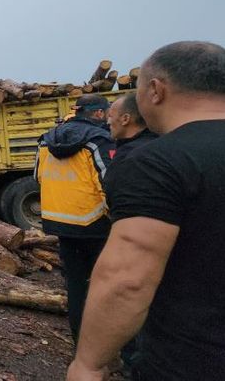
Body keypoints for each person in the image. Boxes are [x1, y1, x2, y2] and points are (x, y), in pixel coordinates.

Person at [68, 41, 225, 380]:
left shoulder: (157, 163)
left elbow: (127, 279)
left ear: (155, 90)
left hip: (192, 362)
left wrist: (89, 365)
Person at [34, 94, 115, 342]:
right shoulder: (98, 140)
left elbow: (38, 176)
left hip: (61, 223)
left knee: (76, 286)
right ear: (99, 114)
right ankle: (106, 341)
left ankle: (80, 339)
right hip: (96, 223)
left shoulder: (46, 140)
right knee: (106, 284)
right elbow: (109, 182)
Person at [103, 93, 158, 371]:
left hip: (137, 250)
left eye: (111, 114)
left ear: (126, 118)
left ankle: (135, 359)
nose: (107, 119)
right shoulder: (152, 148)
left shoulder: (138, 158)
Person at [105, 93, 158, 168]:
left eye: (111, 116)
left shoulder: (127, 157)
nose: (108, 122)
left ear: (125, 119)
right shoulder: (162, 144)